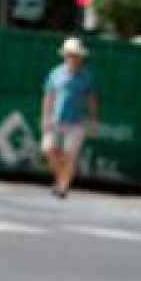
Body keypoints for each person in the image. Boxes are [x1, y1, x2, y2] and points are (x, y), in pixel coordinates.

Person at [40, 37, 98, 199]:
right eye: (70, 55)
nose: (72, 58)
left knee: (69, 155)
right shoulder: (55, 73)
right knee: (48, 149)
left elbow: (92, 100)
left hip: (76, 122)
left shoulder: (87, 76)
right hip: (55, 120)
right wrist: (45, 117)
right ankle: (60, 178)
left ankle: (63, 187)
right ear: (65, 55)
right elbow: (48, 96)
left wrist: (93, 120)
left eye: (75, 55)